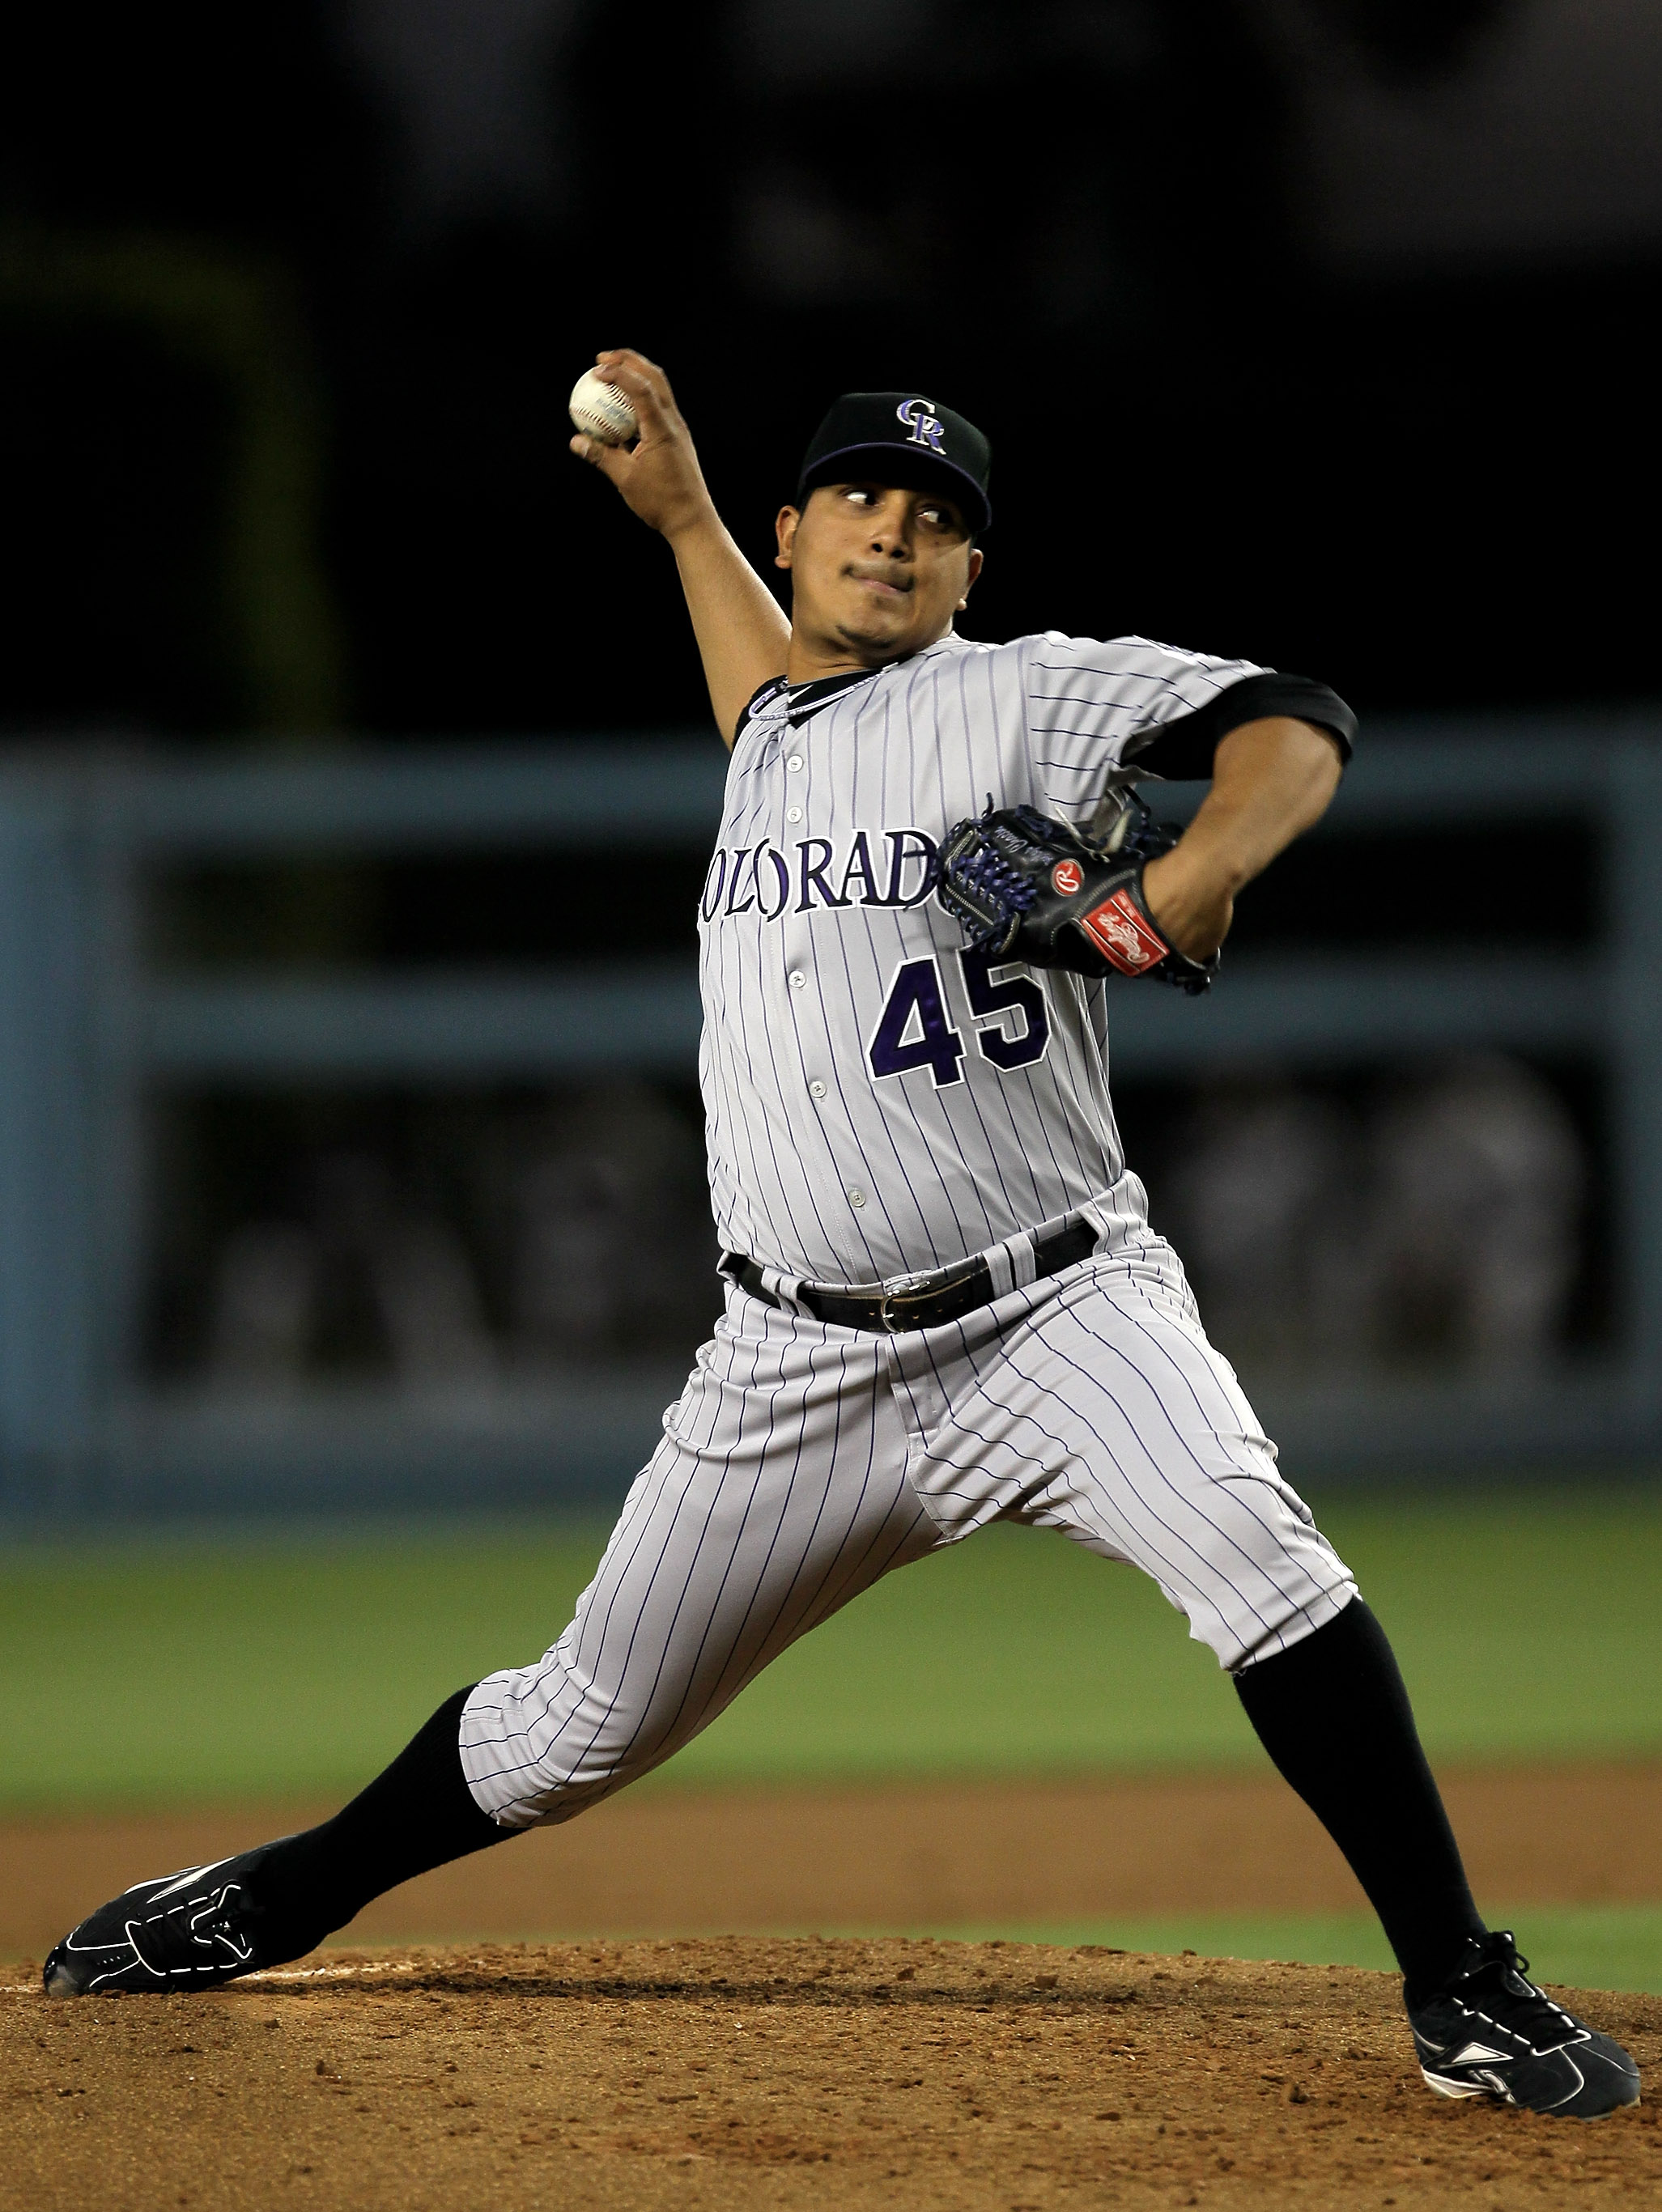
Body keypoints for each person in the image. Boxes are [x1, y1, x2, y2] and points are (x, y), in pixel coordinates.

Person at [45, 355, 1637, 2122]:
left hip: (1056, 1310)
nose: (899, 528)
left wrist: (1188, 878)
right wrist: (682, 521)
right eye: (865, 499)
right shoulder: (777, 733)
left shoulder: (1025, 697)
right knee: (576, 1729)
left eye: (939, 517)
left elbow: (1295, 714)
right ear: (799, 532)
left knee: (1266, 1565)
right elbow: (767, 691)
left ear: (969, 572)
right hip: (789, 1360)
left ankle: (1460, 1986)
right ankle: (279, 1893)